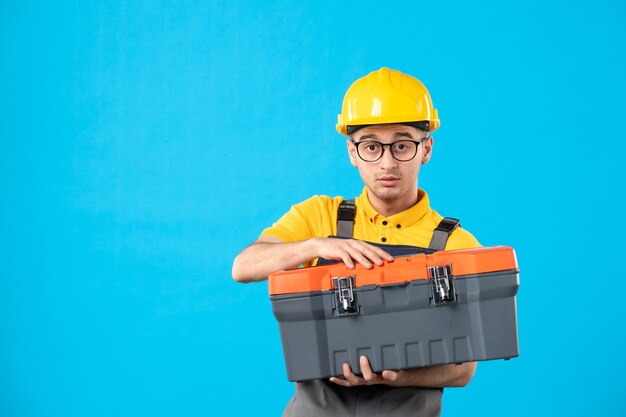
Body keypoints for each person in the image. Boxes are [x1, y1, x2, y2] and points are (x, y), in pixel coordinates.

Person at [232, 67, 481, 417]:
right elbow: (243, 267)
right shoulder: (318, 215)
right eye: (371, 147)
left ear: (426, 149)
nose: (387, 162)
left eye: (402, 144)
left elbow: (464, 371)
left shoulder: (457, 244)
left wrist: (395, 376)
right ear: (352, 152)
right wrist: (317, 246)